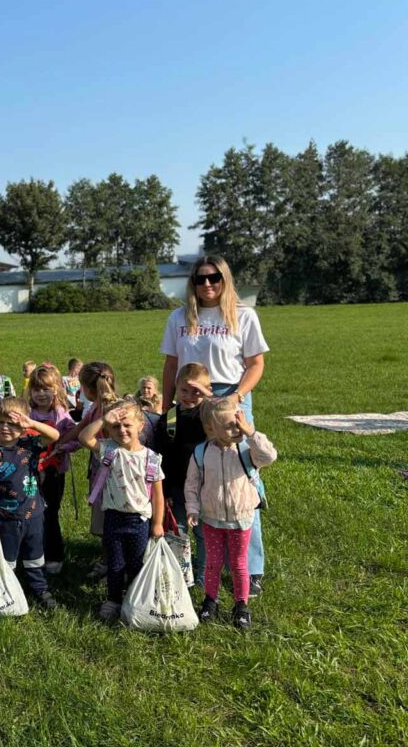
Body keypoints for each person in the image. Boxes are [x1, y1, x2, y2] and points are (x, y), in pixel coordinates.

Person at [160, 254, 270, 597]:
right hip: (190, 401)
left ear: (224, 279)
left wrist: (236, 396)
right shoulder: (180, 317)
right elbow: (171, 364)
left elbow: (255, 364)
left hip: (229, 397)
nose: (207, 285)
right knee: (196, 474)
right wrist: (166, 408)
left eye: (214, 278)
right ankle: (201, 560)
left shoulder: (243, 315)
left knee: (240, 478)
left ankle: (250, 568)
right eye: (200, 279)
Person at [186, 399, 277, 630]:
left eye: (239, 424)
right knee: (213, 563)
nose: (236, 430)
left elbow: (269, 457)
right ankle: (210, 600)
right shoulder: (202, 452)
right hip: (211, 518)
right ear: (211, 428)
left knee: (238, 563)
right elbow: (192, 484)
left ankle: (241, 605)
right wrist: (193, 509)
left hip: (240, 518)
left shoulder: (248, 449)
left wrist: (251, 432)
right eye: (229, 426)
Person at [79, 398, 165, 623]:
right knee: (115, 563)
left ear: (141, 425)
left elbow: (158, 495)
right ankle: (113, 600)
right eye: (116, 426)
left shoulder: (152, 458)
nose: (122, 430)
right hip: (113, 518)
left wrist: (157, 523)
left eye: (127, 425)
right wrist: (103, 420)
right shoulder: (108, 449)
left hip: (139, 521)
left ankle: (134, 599)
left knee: (137, 563)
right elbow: (84, 437)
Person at [0, 397, 60, 610]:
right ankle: (7, 588)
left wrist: (31, 424)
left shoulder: (30, 445)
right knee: (7, 558)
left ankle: (40, 588)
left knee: (35, 555)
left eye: (13, 424)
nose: (6, 428)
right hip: (5, 517)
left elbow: (55, 435)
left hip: (33, 514)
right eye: (3, 422)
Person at [60, 360, 118, 578]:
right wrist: (60, 445)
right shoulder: (97, 407)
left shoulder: (108, 410)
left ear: (87, 389)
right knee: (106, 517)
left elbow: (83, 433)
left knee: (108, 519)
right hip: (106, 471)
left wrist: (63, 444)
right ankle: (109, 558)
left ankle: (109, 561)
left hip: (111, 474)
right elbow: (79, 430)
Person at [153, 363, 211, 581]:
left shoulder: (208, 415)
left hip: (203, 488)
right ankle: (179, 576)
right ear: (176, 387)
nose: (189, 396)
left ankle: (205, 576)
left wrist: (207, 396)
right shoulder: (168, 418)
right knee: (178, 533)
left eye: (197, 392)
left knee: (203, 535)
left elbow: (226, 411)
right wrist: (164, 491)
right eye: (184, 390)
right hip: (176, 487)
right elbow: (160, 457)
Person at [24, 364, 75, 576]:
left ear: (56, 389)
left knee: (51, 512)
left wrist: (63, 447)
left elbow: (76, 437)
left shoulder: (61, 414)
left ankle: (54, 554)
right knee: (31, 511)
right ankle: (31, 553)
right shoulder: (28, 412)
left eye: (47, 389)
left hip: (54, 472)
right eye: (37, 389)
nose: (41, 394)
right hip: (29, 472)